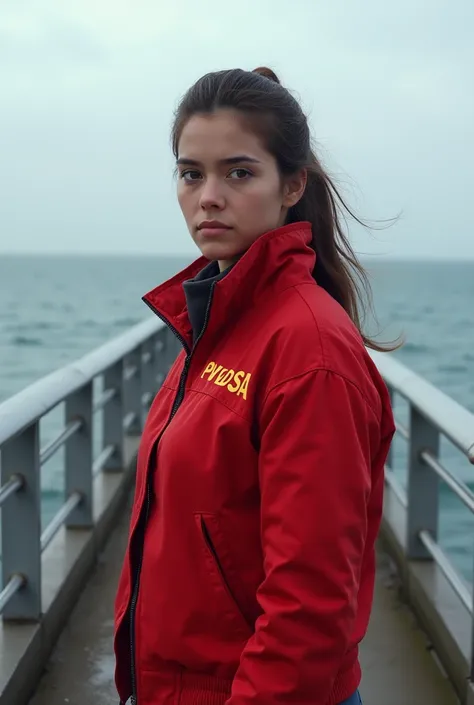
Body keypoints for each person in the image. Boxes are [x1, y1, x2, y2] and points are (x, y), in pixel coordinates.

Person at [113, 66, 396, 705]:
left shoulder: (306, 348)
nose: (208, 195)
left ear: (291, 185)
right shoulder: (222, 319)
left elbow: (311, 600)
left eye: (238, 173)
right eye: (191, 173)